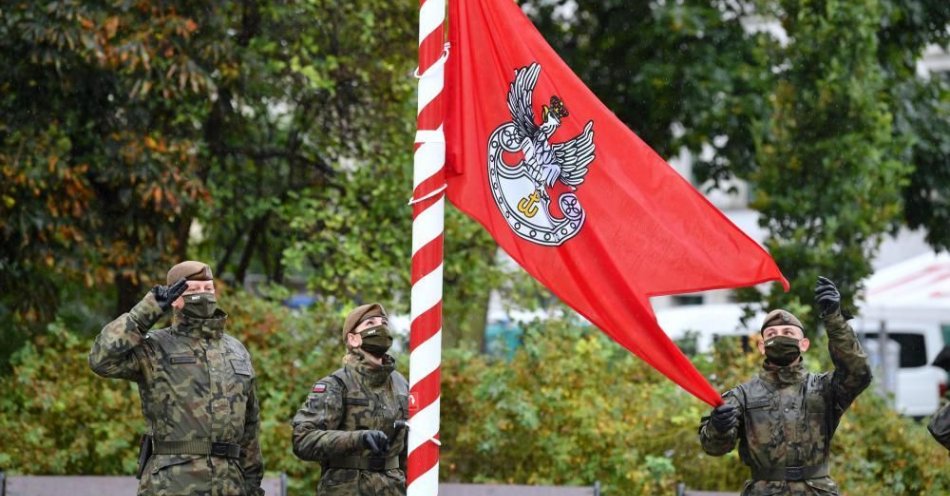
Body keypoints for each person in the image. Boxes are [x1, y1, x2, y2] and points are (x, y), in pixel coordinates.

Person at [89, 261, 264, 496]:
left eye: (207, 289)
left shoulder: (236, 350)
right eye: (193, 290)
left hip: (229, 484)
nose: (203, 296)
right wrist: (146, 311)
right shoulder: (155, 346)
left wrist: (252, 487)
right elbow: (101, 359)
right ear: (176, 299)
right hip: (172, 484)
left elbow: (250, 426)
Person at [699, 277, 872, 495]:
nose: (780, 338)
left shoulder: (824, 388)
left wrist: (834, 319)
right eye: (772, 335)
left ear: (804, 344)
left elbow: (859, 373)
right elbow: (714, 448)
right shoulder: (742, 396)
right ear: (761, 346)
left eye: (788, 333)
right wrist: (719, 427)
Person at [292, 303, 409, 495]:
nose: (380, 328)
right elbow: (303, 440)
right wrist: (357, 438)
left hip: (392, 488)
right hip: (346, 488)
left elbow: (408, 447)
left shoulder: (401, 385)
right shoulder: (336, 384)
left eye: (384, 323)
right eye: (370, 323)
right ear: (353, 339)